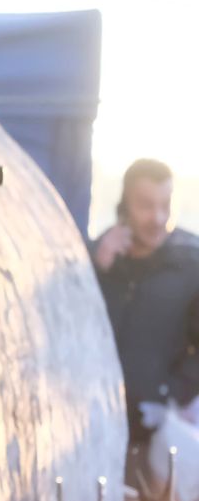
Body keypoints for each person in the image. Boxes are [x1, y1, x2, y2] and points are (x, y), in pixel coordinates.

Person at [93, 158, 199, 441]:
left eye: (165, 205)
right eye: (146, 205)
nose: (158, 218)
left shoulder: (191, 264)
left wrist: (171, 394)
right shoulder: (100, 258)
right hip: (98, 421)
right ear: (124, 207)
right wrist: (98, 268)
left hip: (160, 425)